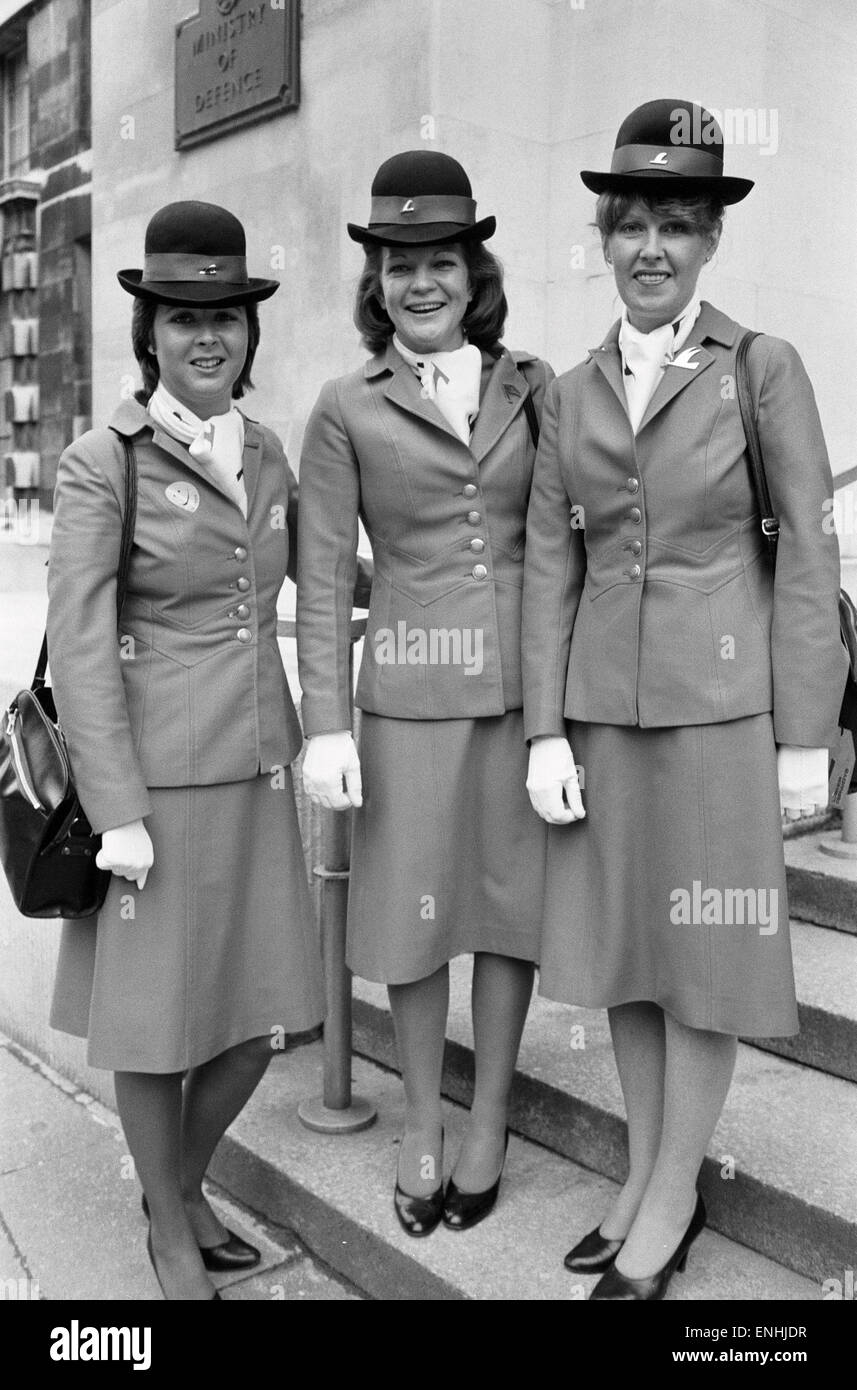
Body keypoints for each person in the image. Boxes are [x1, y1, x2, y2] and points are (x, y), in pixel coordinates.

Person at [522, 100, 846, 1299]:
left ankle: (669, 1195)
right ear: (601, 240)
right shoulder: (566, 391)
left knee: (701, 956)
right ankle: (650, 1171)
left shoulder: (760, 367)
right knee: (626, 953)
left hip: (720, 719)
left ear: (710, 240)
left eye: (676, 222)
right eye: (631, 223)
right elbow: (549, 561)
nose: (650, 245)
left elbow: (808, 554)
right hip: (603, 717)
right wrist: (543, 727)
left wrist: (802, 738)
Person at [47, 201, 337, 1300]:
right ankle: (171, 1225)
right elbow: (80, 643)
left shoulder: (267, 454)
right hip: (155, 792)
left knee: (263, 1022)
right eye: (182, 315)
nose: (207, 333)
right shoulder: (100, 461)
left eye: (225, 314)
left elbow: (326, 580)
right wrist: (114, 806)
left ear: (250, 332)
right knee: (156, 1032)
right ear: (150, 331)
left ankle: (176, 1184)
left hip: (260, 771)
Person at [297, 150, 553, 1236]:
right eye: (398, 263)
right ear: (376, 279)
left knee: (503, 916)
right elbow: (318, 578)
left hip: (514, 703)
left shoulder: (531, 387)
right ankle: (417, 1122)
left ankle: (487, 1118)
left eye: (438, 259)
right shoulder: (343, 403)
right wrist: (323, 726)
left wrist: (553, 721)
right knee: (409, 928)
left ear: (470, 268)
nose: (419, 282)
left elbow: (557, 549)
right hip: (401, 702)